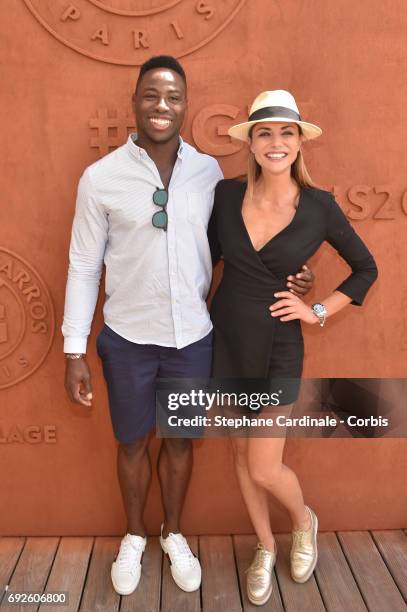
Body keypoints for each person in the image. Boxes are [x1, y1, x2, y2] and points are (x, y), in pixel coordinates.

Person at [208, 89, 378, 606]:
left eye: (286, 132)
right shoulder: (225, 197)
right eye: (265, 132)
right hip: (227, 339)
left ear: (300, 142)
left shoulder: (321, 207)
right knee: (240, 457)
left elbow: (366, 268)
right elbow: (203, 260)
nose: (275, 142)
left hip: (281, 344)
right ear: (251, 143)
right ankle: (264, 546)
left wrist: (317, 309)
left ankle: (302, 523)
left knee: (264, 465)